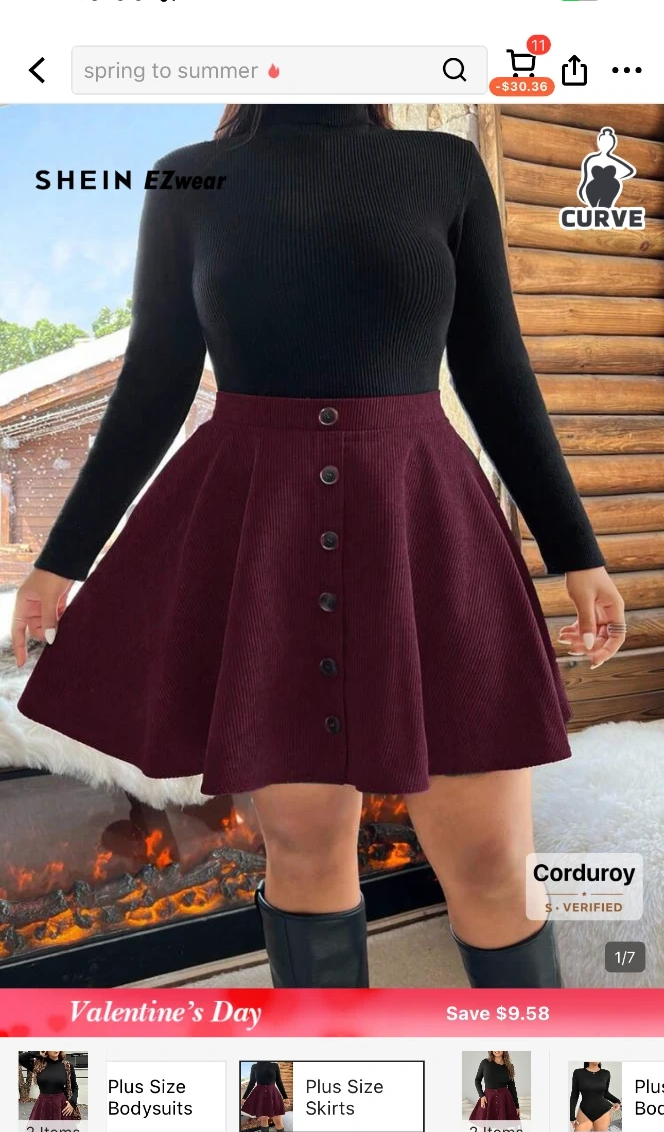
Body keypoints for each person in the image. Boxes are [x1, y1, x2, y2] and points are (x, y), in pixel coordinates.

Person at [12, 104, 626, 989]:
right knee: (303, 855)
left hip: (426, 529)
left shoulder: (444, 169)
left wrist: (578, 551)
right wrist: (59, 560)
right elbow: (154, 378)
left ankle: (532, 1072)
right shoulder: (187, 180)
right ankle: (333, 1070)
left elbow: (494, 367)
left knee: (493, 863)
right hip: (265, 540)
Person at [18, 1050, 79, 1121]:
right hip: (43, 1105)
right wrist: (38, 1053)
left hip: (61, 1106)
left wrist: (72, 1103)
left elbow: (74, 1086)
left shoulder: (67, 1066)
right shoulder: (38, 1065)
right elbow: (20, 1058)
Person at [570, 1062, 621, 1132]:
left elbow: (605, 1093)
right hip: (584, 1112)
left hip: (603, 1112)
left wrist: (617, 1101)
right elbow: (574, 1095)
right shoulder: (578, 1073)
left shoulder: (606, 1073)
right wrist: (572, 1116)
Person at [469, 1050, 520, 1121]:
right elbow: (477, 1080)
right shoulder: (485, 1063)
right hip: (488, 1099)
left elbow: (512, 1087)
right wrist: (482, 1096)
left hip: (504, 1100)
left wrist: (517, 1106)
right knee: (485, 1126)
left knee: (503, 1126)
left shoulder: (509, 1066)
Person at [242, 1061, 289, 1132]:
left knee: (278, 1122)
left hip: (272, 1094)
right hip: (260, 1095)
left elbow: (279, 1081)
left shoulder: (274, 1065)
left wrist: (285, 1097)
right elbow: (251, 1083)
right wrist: (244, 1097)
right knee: (263, 1121)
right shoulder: (254, 1066)